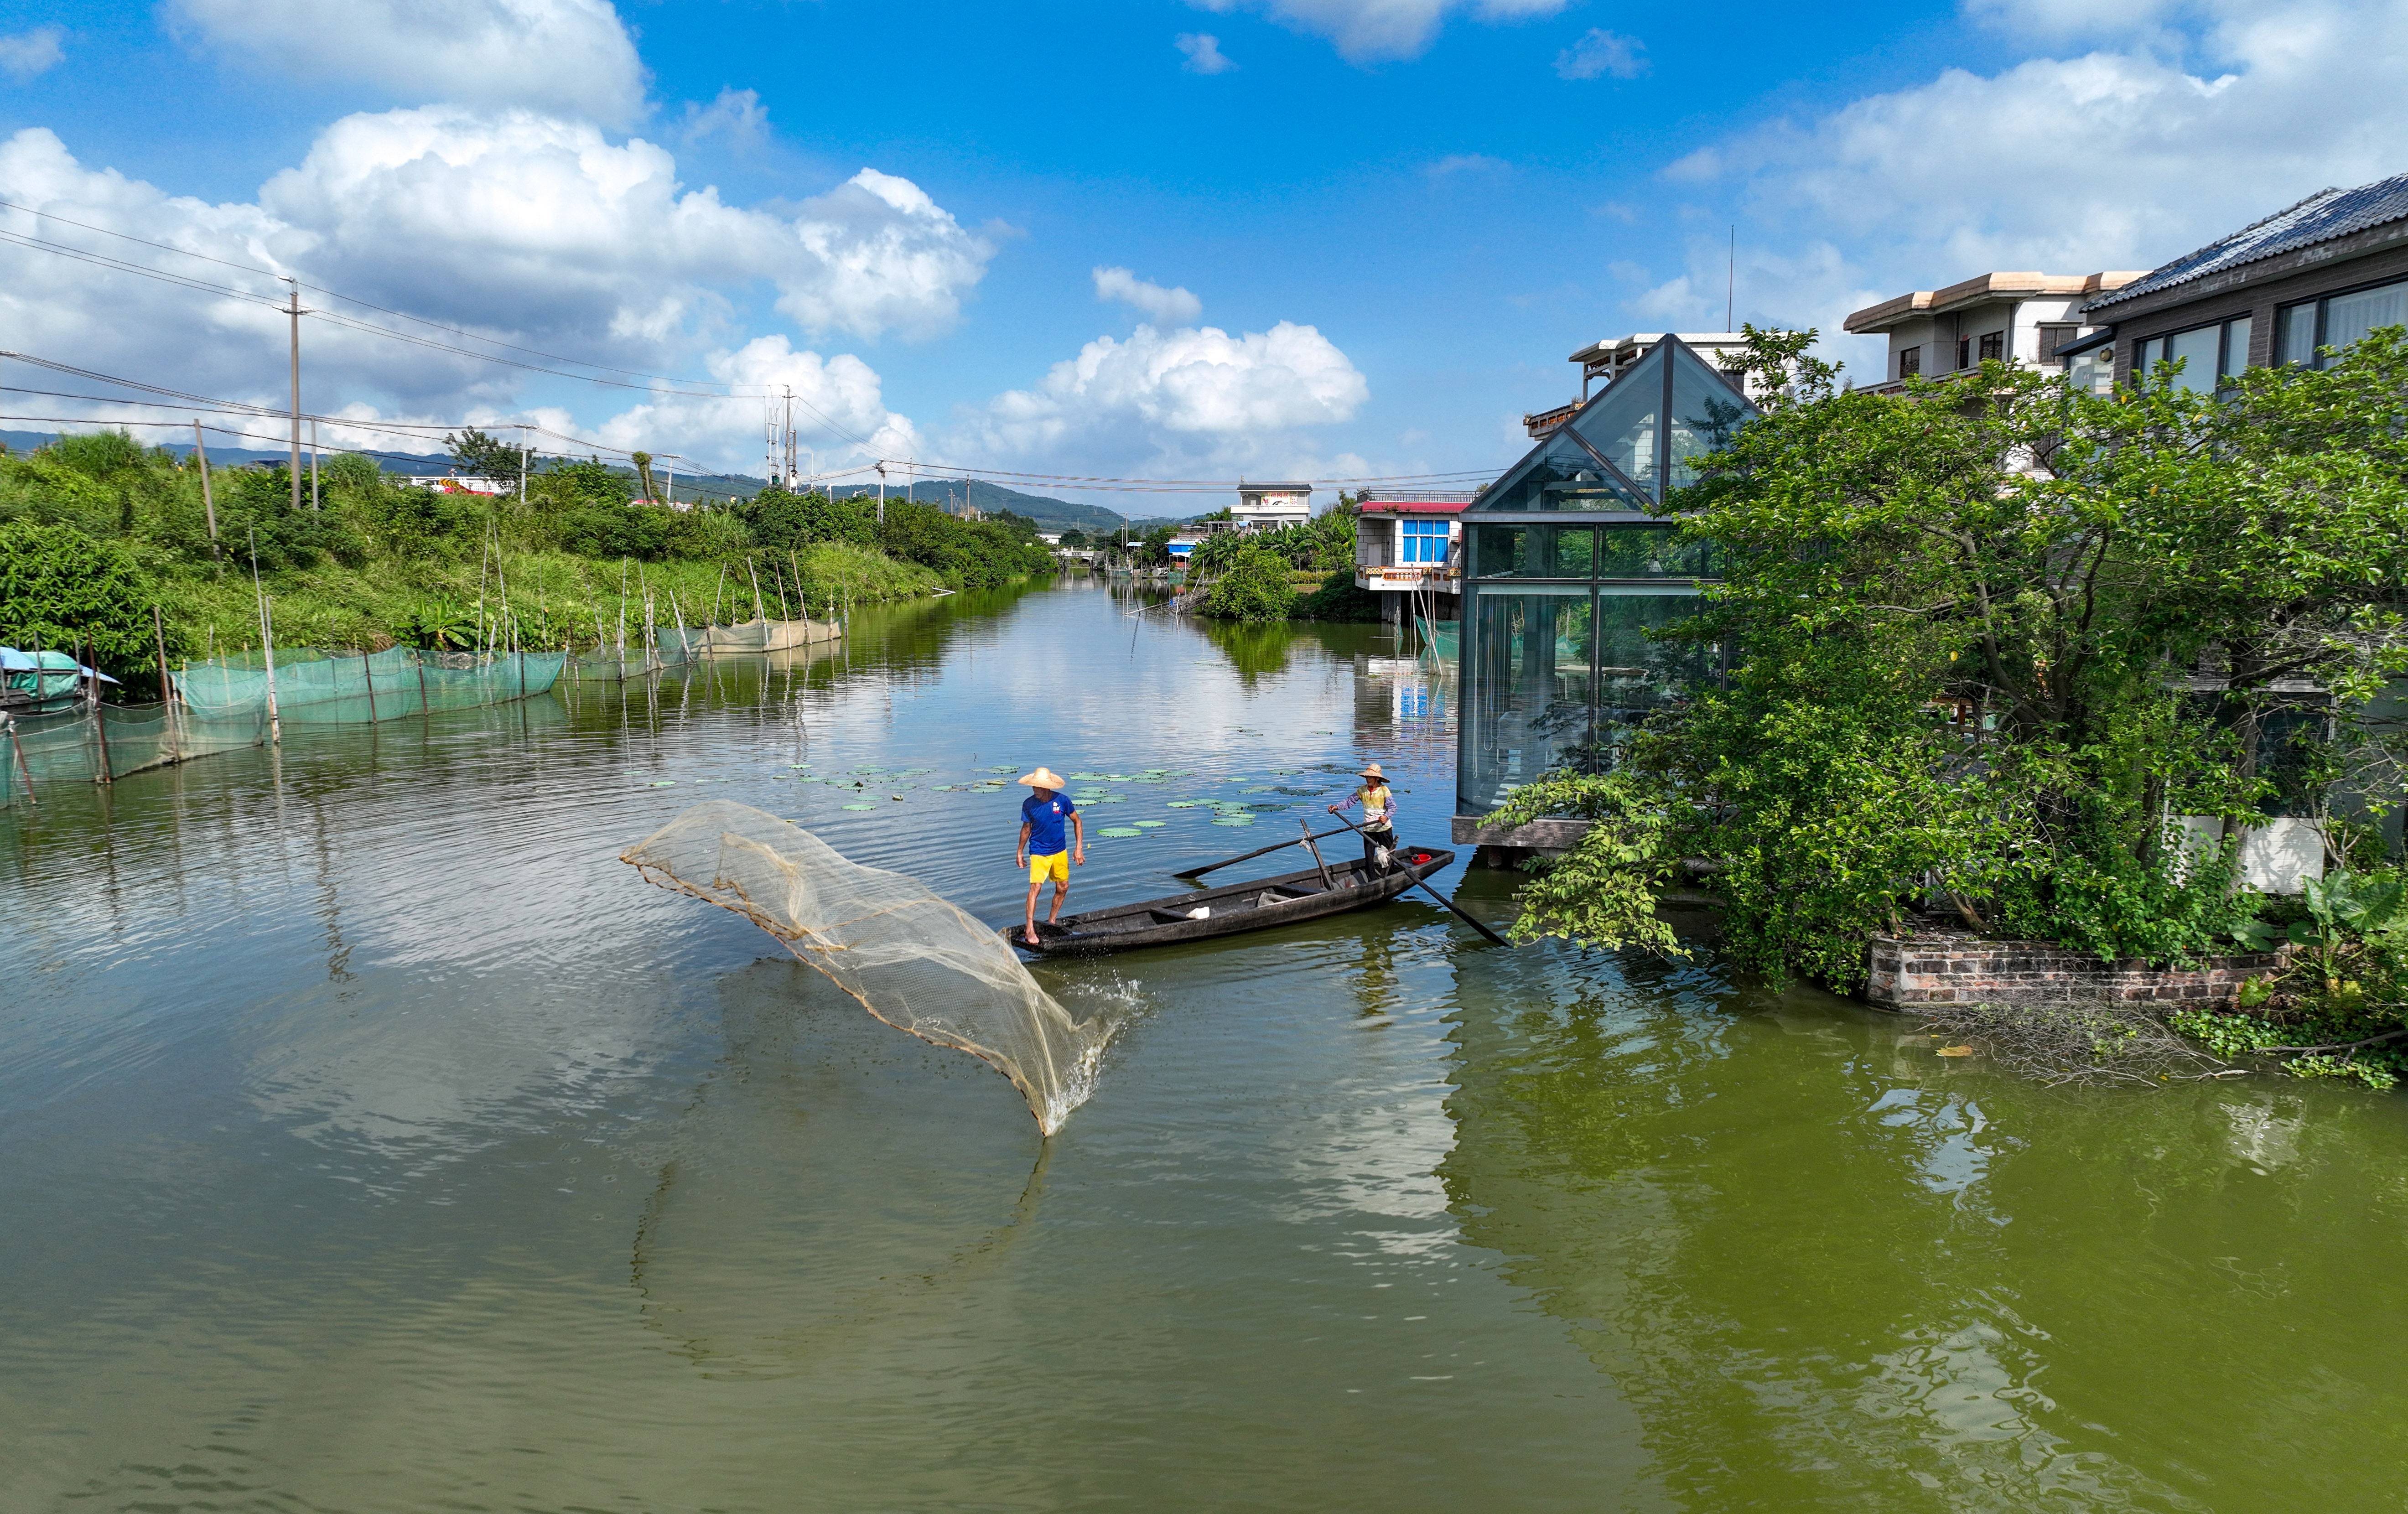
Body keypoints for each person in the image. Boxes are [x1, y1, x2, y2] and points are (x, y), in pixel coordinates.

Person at [1016, 767, 1085, 945]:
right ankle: (1029, 928)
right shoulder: (1029, 804)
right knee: (1036, 888)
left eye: (1038, 787)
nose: (1035, 790)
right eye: (1034, 787)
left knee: (1063, 887)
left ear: (1047, 787)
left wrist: (1079, 848)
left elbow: (1077, 821)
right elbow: (1026, 829)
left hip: (1060, 851)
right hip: (1039, 852)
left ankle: (1052, 921)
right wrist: (1020, 851)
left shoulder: (1062, 801)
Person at [1328, 762, 1397, 873]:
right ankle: (1371, 880)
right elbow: (1350, 801)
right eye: (1367, 777)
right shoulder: (1362, 791)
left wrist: (1386, 816)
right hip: (1368, 829)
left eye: (1370, 777)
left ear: (1377, 778)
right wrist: (1337, 807)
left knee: (1389, 855)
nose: (1368, 779)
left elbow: (1393, 807)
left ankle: (1392, 876)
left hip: (1383, 829)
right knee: (1369, 858)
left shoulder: (1384, 790)